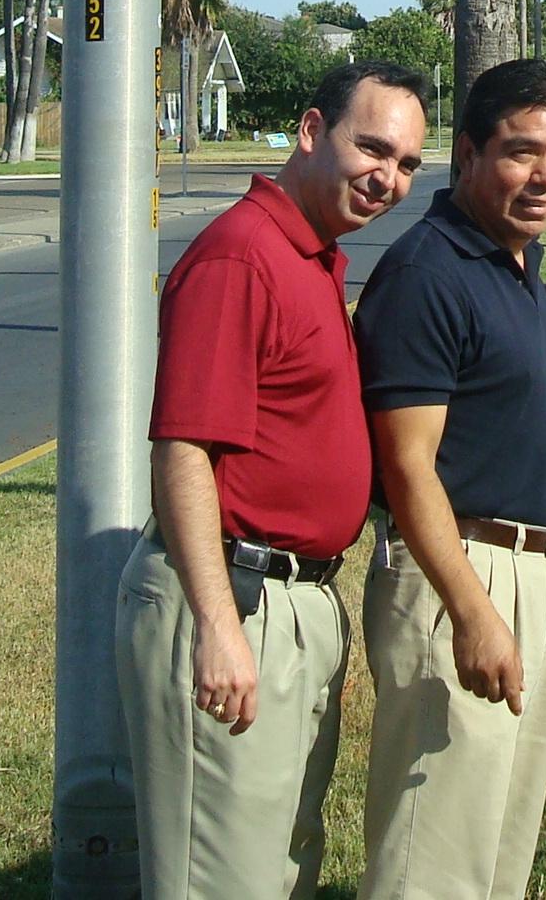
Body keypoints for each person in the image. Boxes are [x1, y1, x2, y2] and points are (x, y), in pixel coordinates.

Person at [114, 58, 431, 900]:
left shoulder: (314, 255)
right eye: (372, 149)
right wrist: (221, 628)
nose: (387, 178)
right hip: (231, 597)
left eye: (405, 165)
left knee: (282, 866)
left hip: (291, 603)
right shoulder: (241, 256)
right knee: (217, 878)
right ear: (309, 131)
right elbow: (184, 450)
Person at [354, 58, 546, 900]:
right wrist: (474, 611)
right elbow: (408, 464)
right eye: (523, 152)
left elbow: (508, 405)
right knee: (434, 856)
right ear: (468, 153)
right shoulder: (431, 272)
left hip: (525, 572)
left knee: (496, 847)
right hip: (458, 572)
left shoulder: (513, 266)